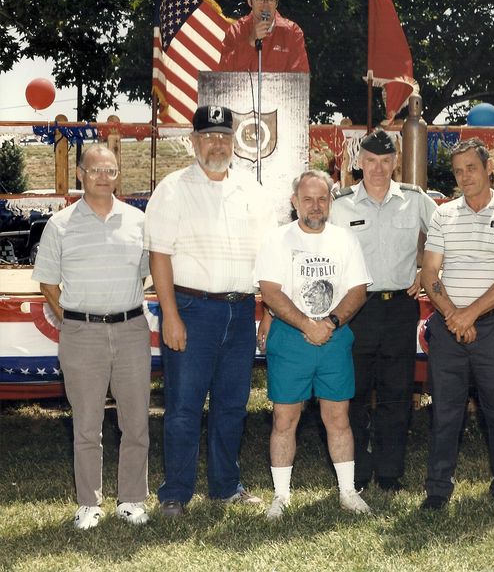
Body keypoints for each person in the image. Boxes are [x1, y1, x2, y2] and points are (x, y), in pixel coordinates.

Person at [144, 104, 276, 517]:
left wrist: (267, 312)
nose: (216, 144)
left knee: (232, 404)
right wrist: (171, 315)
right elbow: (159, 256)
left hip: (240, 312)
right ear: (194, 141)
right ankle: (175, 493)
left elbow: (270, 258)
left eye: (224, 136)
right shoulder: (173, 188)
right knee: (184, 406)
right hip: (191, 308)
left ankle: (225, 486)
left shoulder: (253, 191)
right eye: (208, 136)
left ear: (233, 141)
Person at [32, 145, 151, 529]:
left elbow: (150, 273)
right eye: (96, 170)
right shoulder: (60, 224)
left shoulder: (138, 221)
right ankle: (89, 503)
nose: (104, 177)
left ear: (119, 175)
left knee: (135, 422)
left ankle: (132, 500)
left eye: (111, 171)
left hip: (132, 330)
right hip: (81, 335)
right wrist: (73, 317)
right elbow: (48, 282)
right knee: (87, 423)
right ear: (80, 173)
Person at [419, 138, 494, 511]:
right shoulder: (442, 214)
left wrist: (471, 314)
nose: (464, 176)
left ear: (488, 168)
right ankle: (437, 489)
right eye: (458, 171)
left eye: (471, 168)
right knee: (444, 411)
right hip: (449, 327)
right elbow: (430, 273)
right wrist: (454, 315)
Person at [255, 170, 372, 520]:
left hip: (334, 337)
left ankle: (348, 492)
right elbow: (271, 291)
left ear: (330, 202)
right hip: (291, 339)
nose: (315, 206)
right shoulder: (277, 240)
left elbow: (358, 290)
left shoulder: (345, 240)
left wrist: (330, 323)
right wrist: (307, 324)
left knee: (338, 417)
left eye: (322, 199)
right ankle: (281, 496)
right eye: (308, 199)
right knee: (284, 418)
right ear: (295, 202)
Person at [329, 128, 437, 492]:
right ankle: (356, 473)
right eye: (371, 161)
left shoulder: (414, 199)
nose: (377, 168)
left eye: (385, 161)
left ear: (396, 163)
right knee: (354, 393)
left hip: (398, 310)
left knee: (396, 393)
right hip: (355, 310)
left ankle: (390, 473)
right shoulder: (340, 205)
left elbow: (445, 236)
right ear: (359, 162)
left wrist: (426, 272)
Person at [219, 0, 309, 73]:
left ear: (276, 3)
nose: (265, 5)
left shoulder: (292, 32)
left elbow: (300, 77)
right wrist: (250, 42)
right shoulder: (236, 30)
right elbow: (224, 72)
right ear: (250, 1)